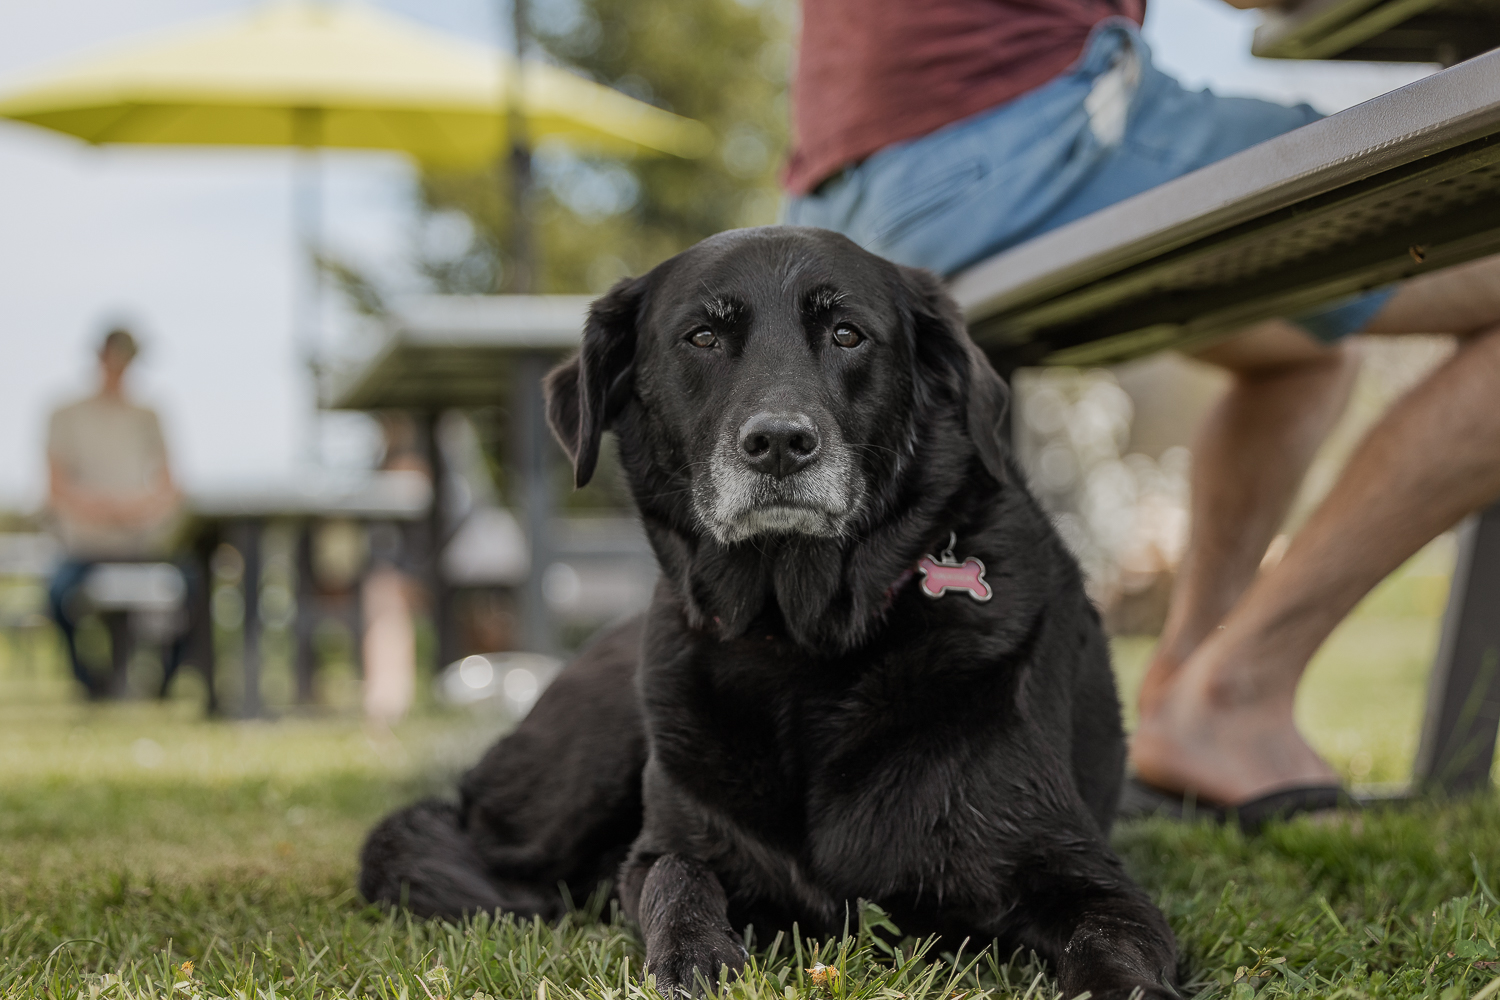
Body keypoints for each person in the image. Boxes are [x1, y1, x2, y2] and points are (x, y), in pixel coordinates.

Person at [781, 0, 1500, 815]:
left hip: (840, 182)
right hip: (1014, 133)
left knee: (1304, 360)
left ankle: (1186, 701)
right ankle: (1240, 687)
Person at [46, 328, 184, 699]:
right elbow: (55, 486)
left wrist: (135, 508)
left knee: (192, 584)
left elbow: (170, 486)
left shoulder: (148, 415)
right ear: (100, 356)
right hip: (84, 546)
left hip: (140, 543)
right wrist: (100, 507)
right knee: (56, 596)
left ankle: (163, 683)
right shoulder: (66, 413)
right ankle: (91, 681)